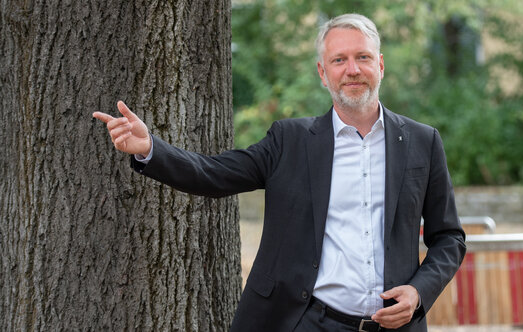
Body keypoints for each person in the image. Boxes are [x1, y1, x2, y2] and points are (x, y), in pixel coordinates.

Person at [93, 13, 465, 332]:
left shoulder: (422, 141)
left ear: (380, 65)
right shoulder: (290, 140)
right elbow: (214, 173)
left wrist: (419, 292)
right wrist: (151, 149)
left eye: (362, 57)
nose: (352, 70)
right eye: (339, 60)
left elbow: (448, 237)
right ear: (323, 72)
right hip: (305, 321)